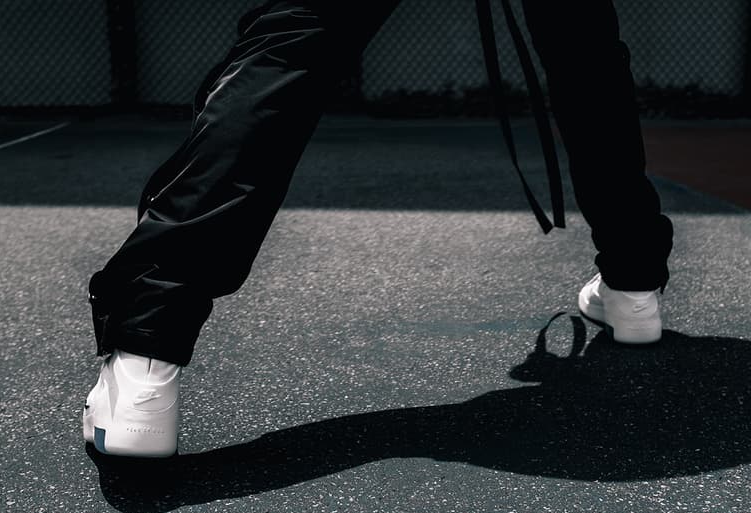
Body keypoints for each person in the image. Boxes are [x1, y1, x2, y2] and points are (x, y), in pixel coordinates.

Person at [83, 0, 674, 457]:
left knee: (292, 45)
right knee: (587, 57)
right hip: (686, 458)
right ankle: (633, 286)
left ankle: (145, 361)